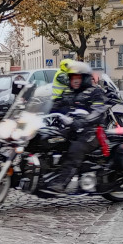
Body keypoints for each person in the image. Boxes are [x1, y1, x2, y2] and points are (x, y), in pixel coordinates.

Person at [48, 61, 106, 193]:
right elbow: (57, 104)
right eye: (72, 78)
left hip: (92, 131)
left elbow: (98, 112)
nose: (74, 80)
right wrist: (41, 110)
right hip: (73, 129)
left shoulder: (95, 92)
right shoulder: (69, 92)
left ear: (84, 78)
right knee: (52, 140)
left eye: (77, 78)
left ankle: (62, 182)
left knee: (75, 149)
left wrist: (82, 122)